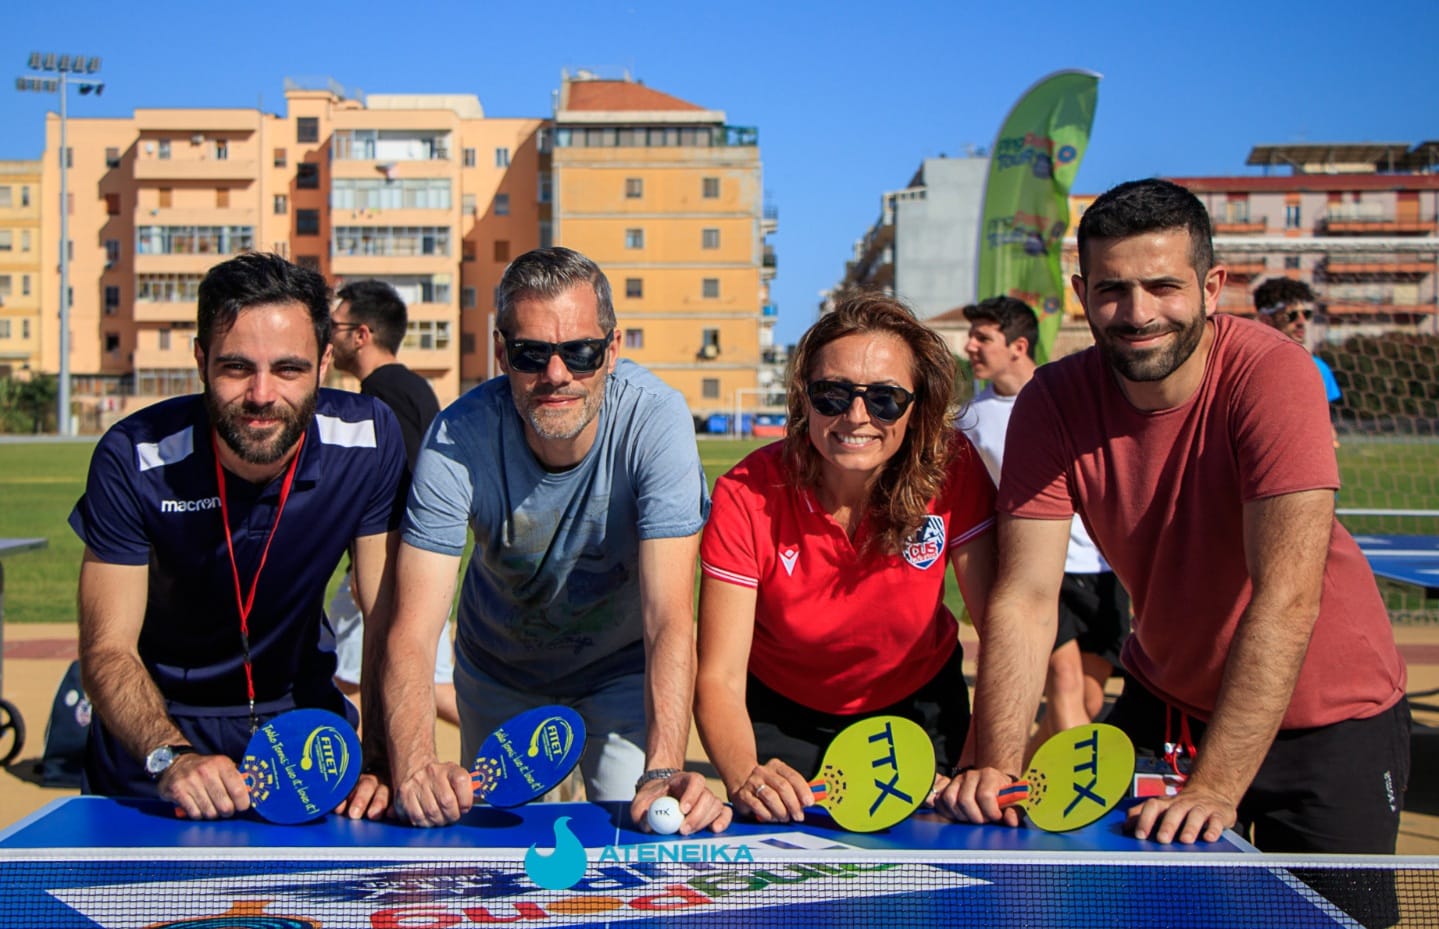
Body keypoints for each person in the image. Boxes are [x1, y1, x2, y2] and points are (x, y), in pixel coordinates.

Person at [939, 179, 1408, 859]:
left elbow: (1284, 597)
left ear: (1211, 286)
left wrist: (1215, 787)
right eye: (1111, 289)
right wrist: (995, 761)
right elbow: (1025, 597)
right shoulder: (1053, 400)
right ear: (1080, 294)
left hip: (1329, 719)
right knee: (1106, 895)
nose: (1136, 312)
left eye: (1163, 286)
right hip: (1165, 703)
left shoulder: (1273, 375)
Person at [380, 246, 730, 834]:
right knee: (497, 857)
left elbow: (669, 617)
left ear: (612, 350)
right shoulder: (456, 437)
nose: (557, 375)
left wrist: (664, 765)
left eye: (581, 353)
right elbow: (412, 630)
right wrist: (415, 763)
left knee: (638, 838)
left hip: (619, 672)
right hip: (498, 671)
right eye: (530, 354)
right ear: (501, 353)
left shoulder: (656, 419)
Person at [69, 252, 408, 820]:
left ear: (326, 362)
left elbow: (389, 620)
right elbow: (106, 648)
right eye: (235, 368)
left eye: (289, 369)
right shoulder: (133, 457)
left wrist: (380, 753)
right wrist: (169, 757)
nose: (261, 394)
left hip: (302, 724)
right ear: (201, 360)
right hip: (158, 729)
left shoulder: (369, 439)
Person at [694, 293, 997, 824]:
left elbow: (1003, 633)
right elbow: (719, 674)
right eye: (832, 394)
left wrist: (976, 762)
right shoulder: (745, 493)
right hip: (785, 717)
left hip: (921, 708)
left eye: (885, 398)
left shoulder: (956, 470)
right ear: (803, 398)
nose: (857, 416)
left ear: (916, 405)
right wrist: (744, 773)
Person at [959, 296, 1130, 749]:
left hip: (1103, 565)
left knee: (1085, 703)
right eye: (971, 336)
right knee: (1068, 686)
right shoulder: (968, 421)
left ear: (1018, 345)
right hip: (1036, 567)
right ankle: (1070, 804)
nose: (969, 346)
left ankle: (1029, 783)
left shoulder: (1070, 399)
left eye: (982, 337)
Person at [327, 279, 457, 726]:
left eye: (334, 325)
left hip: (389, 562)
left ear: (361, 334)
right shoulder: (409, 387)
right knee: (356, 677)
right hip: (406, 559)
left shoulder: (382, 394)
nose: (327, 335)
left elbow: (395, 482)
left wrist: (376, 571)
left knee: (356, 678)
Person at [1253, 277, 1341, 447]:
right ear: (1266, 319)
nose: (1301, 322)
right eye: (1292, 315)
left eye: (1306, 314)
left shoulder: (1318, 368)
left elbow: (1325, 423)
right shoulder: (1249, 366)